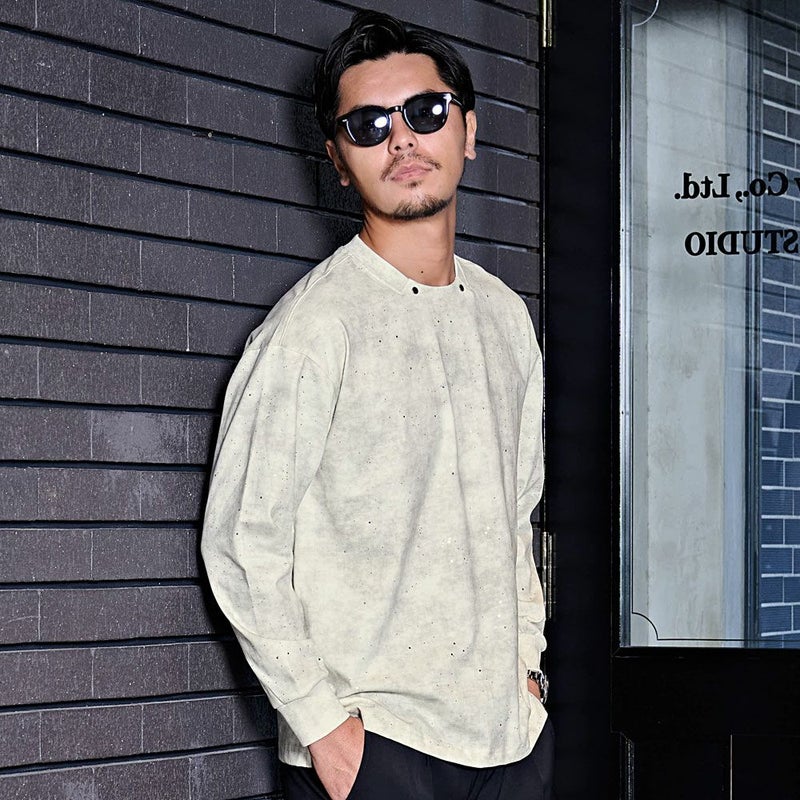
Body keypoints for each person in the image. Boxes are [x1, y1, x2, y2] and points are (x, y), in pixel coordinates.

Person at [201, 10, 553, 800]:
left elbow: (516, 515)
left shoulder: (504, 317)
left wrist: (525, 669)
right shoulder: (312, 329)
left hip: (510, 739)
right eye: (369, 125)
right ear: (337, 158)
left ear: (468, 130)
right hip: (379, 751)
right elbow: (242, 541)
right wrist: (323, 728)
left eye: (426, 112)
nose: (402, 141)